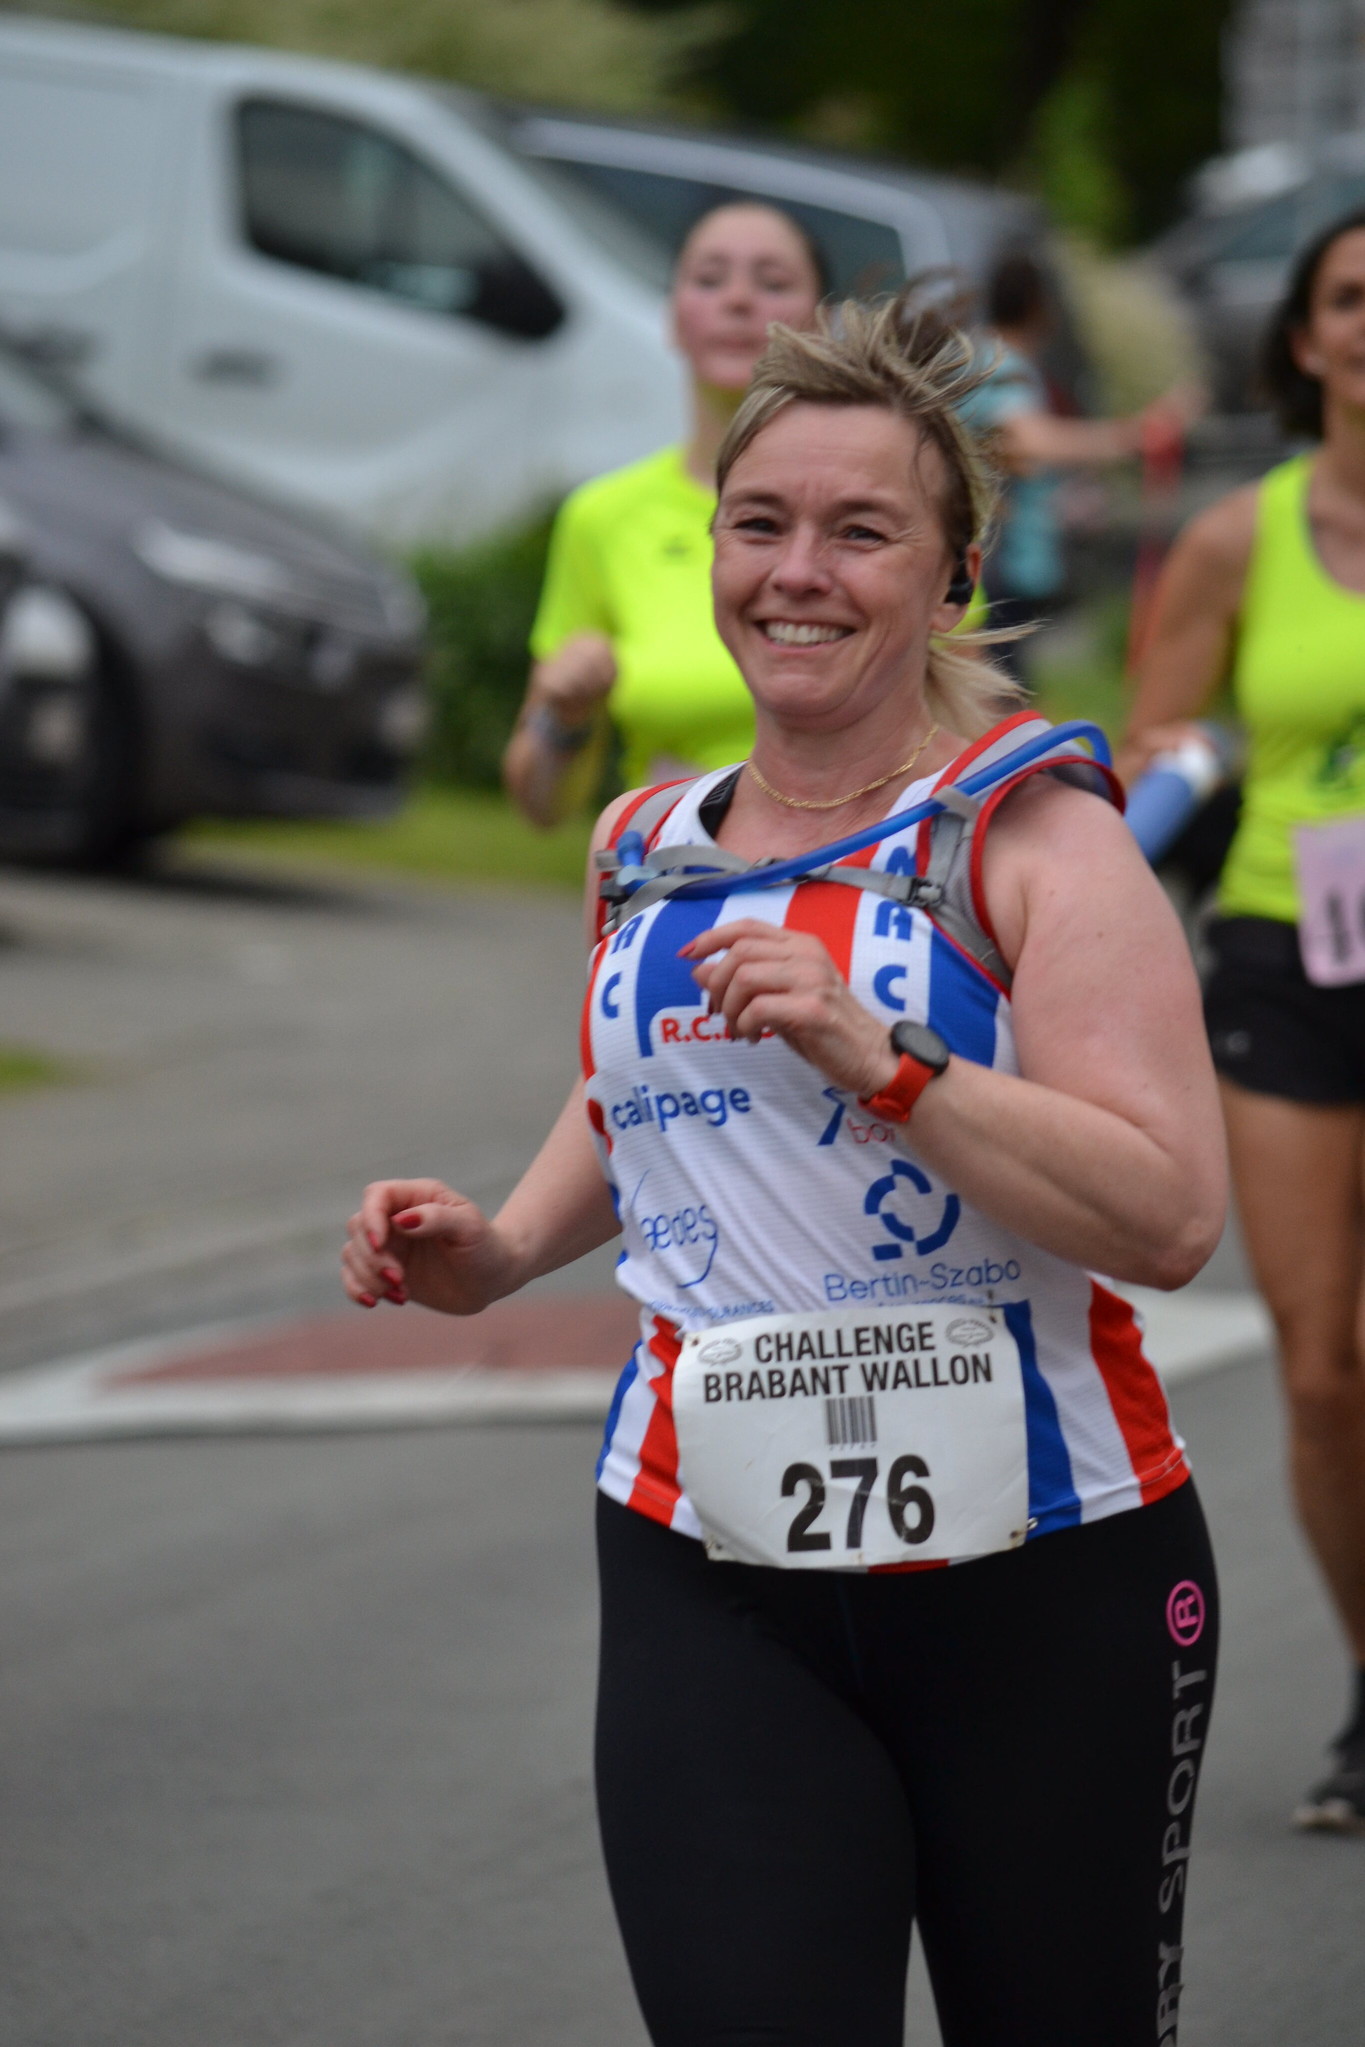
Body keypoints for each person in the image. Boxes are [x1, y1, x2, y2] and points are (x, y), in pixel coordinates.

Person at [345, 298, 1226, 2044]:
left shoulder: (1035, 835)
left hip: (1047, 1574)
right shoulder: (644, 843)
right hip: (707, 1561)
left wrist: (887, 1057)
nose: (797, 572)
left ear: (951, 577)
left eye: (860, 531)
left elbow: (1169, 1210)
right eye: (760, 524)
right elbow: (647, 1099)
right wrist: (498, 1245)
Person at [1122, 209, 1365, 1834]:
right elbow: (1154, 749)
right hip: (1291, 950)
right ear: (1303, 338)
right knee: (1326, 1367)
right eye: (1351, 296)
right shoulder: (1236, 539)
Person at [503, 202, 826, 825]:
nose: (738, 300)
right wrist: (563, 716)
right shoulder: (602, 515)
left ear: (823, 323)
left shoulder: (884, 512)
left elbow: (967, 738)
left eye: (773, 282)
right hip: (670, 874)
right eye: (709, 279)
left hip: (856, 868)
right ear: (674, 318)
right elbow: (542, 808)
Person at [962, 251, 1190, 681]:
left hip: (998, 562)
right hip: (998, 565)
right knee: (1001, 692)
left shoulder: (988, 357)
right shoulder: (1002, 365)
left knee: (1007, 686)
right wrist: (1137, 435)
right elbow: (1032, 442)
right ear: (1041, 306)